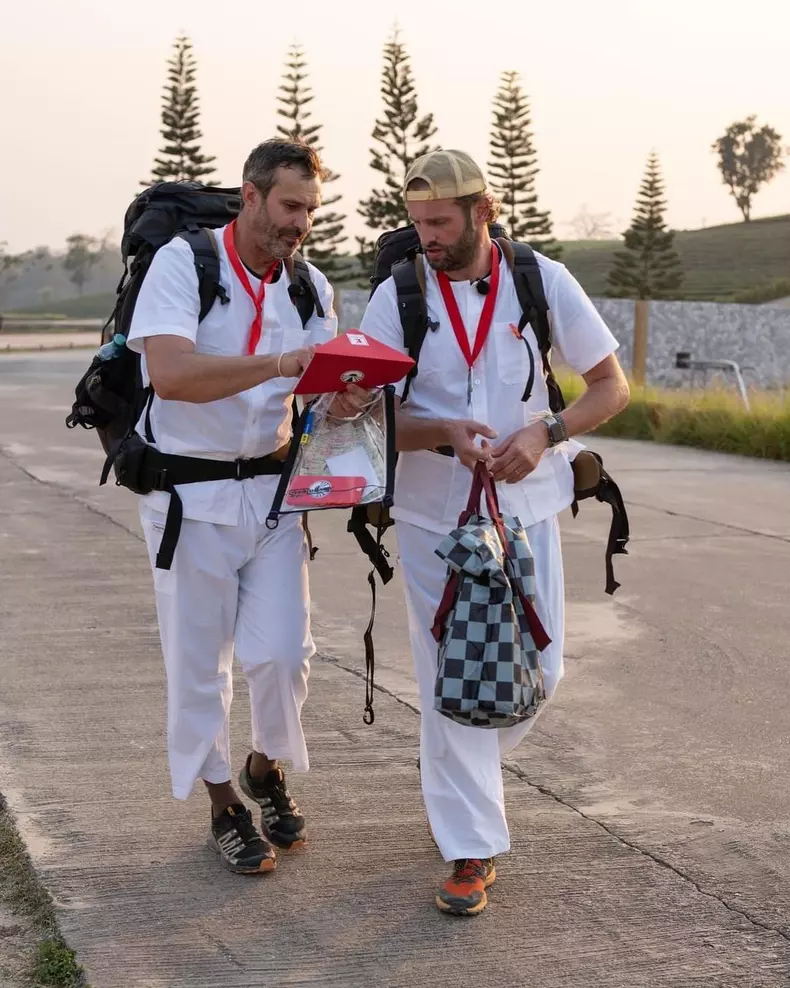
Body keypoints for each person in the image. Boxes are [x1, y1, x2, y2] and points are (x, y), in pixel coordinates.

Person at [359, 149, 630, 915]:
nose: (426, 239)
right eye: (416, 224)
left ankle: (457, 778)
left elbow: (612, 387)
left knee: (541, 672)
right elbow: (364, 413)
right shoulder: (398, 293)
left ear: (484, 211)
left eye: (439, 223)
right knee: (455, 676)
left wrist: (547, 431)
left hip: (528, 506)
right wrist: (444, 430)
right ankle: (470, 847)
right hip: (432, 515)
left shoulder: (541, 281)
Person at [126, 139, 365, 874]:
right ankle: (225, 802)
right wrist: (280, 365)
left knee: (285, 653)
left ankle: (266, 765)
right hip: (187, 497)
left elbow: (320, 390)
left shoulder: (308, 286)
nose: (301, 223)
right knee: (201, 666)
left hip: (272, 497)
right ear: (252, 195)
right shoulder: (184, 265)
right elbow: (169, 375)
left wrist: (345, 397)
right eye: (291, 206)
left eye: (312, 211)